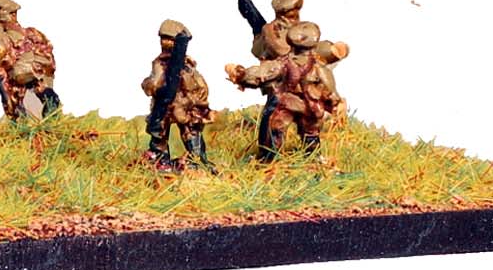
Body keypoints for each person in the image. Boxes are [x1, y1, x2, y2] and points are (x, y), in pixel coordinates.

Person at [226, 22, 348, 160]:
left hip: (309, 106)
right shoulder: (287, 63)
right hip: (289, 103)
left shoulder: (317, 68)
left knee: (309, 132)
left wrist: (336, 102)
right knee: (277, 126)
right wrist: (242, 75)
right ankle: (270, 157)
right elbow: (263, 73)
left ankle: (313, 157)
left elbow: (328, 87)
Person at [141, 19, 214, 171]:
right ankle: (160, 159)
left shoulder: (187, 66)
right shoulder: (161, 64)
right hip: (166, 105)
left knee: (190, 131)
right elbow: (155, 84)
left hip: (184, 105)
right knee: (160, 131)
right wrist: (149, 85)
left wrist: (196, 101)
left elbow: (200, 85)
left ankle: (197, 160)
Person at [0, 0, 61, 119]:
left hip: (34, 71)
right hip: (16, 76)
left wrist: (35, 59)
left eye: (14, 13)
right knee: (15, 106)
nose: (13, 16)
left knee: (48, 97)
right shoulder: (0, 36)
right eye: (11, 13)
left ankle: (50, 116)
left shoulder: (30, 32)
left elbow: (46, 48)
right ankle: (21, 120)